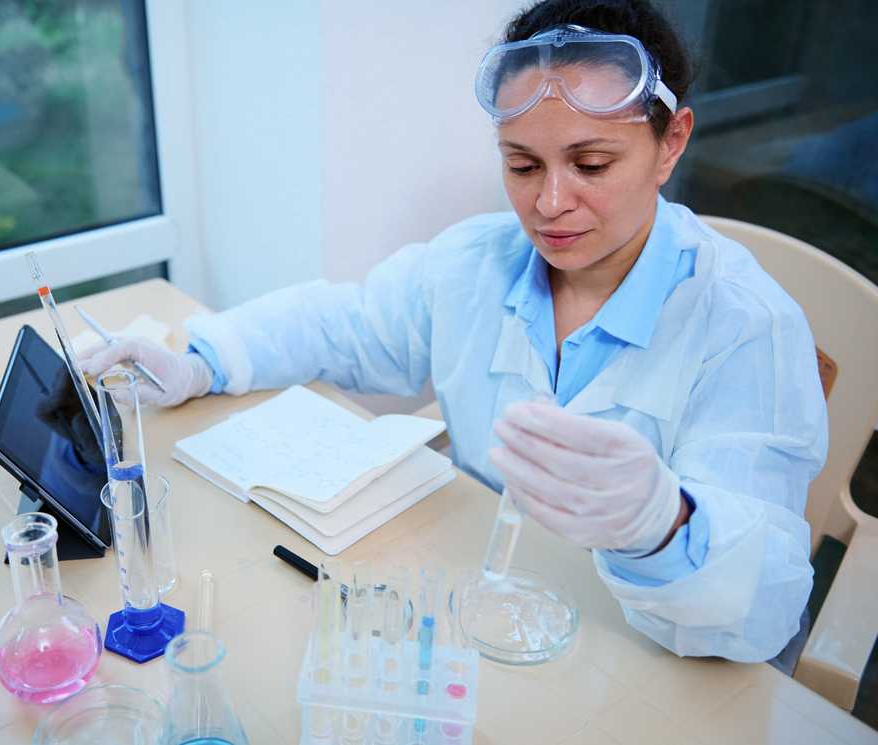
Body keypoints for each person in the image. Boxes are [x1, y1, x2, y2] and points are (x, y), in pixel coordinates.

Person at [80, 0, 827, 662]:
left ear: (672, 144)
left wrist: (665, 525)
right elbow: (341, 323)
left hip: (647, 655)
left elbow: (767, 609)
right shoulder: (475, 261)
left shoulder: (744, 326)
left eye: (592, 163)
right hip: (483, 615)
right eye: (522, 164)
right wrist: (202, 361)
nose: (551, 203)